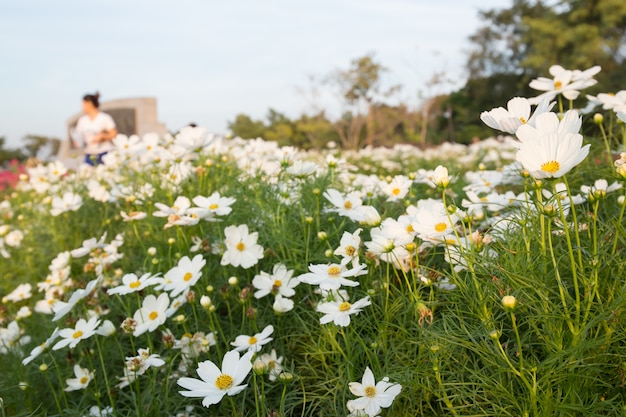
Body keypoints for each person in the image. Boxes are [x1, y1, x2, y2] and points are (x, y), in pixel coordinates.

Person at [73, 92, 118, 165]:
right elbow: (78, 136)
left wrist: (102, 136)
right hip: (89, 154)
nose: (82, 107)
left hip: (104, 153)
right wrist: (77, 142)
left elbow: (114, 134)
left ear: (89, 103)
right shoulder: (82, 120)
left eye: (83, 104)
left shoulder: (104, 118)